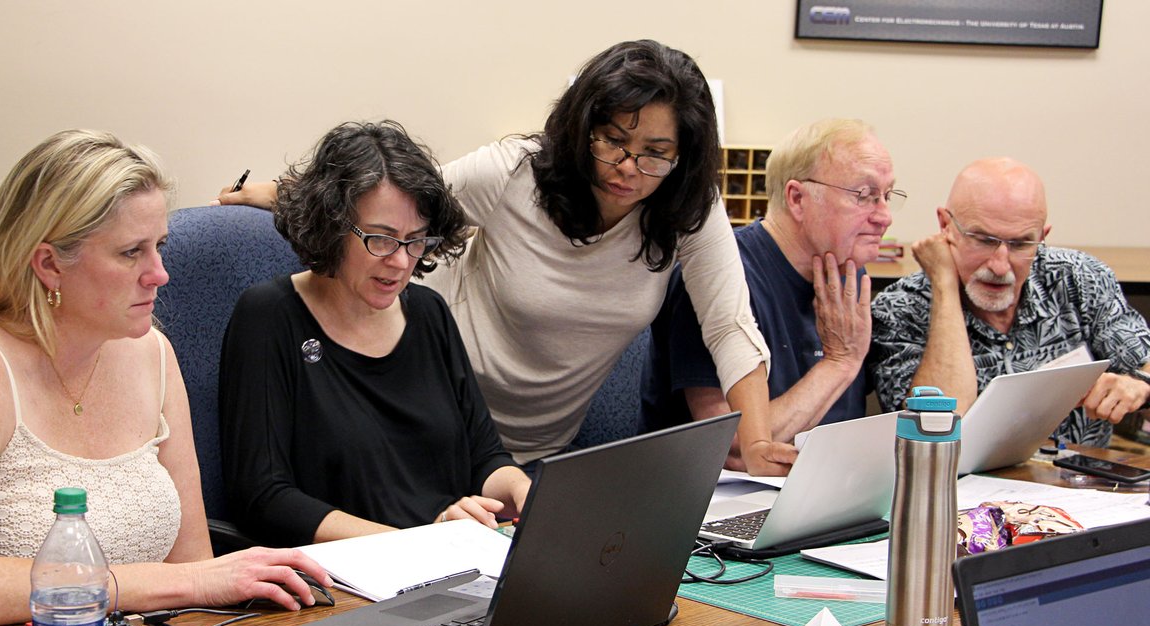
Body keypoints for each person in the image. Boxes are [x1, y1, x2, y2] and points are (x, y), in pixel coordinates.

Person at [216, 40, 795, 475]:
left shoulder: (688, 208)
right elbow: (404, 201)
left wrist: (759, 439)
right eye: (613, 141)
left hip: (540, 453)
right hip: (438, 424)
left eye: (655, 154)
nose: (627, 167)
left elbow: (729, 325)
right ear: (581, 126)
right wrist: (275, 191)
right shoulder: (517, 172)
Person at [0, 130, 334, 626]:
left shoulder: (151, 352)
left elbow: (194, 563)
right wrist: (183, 585)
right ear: (49, 264)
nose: (160, 274)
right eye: (131, 252)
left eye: (160, 247)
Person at [219, 122, 530, 546]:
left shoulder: (428, 311)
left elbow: (485, 457)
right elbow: (263, 496)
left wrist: (518, 488)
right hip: (342, 580)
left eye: (416, 241)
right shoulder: (270, 316)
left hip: (448, 558)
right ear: (332, 227)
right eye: (381, 239)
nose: (401, 262)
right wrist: (412, 543)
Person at [641, 119, 900, 468]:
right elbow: (730, 447)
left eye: (888, 196)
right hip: (714, 500)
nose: (884, 217)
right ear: (797, 198)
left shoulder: (848, 273)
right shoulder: (718, 277)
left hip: (821, 489)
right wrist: (840, 364)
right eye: (865, 196)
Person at [870, 157, 1150, 446]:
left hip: (1080, 483)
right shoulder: (900, 307)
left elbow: (1145, 363)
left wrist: (1140, 385)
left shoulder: (1078, 278)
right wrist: (945, 287)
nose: (1000, 265)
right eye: (983, 240)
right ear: (945, 225)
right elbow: (935, 429)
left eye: (1020, 244)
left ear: (1042, 237)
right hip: (962, 488)